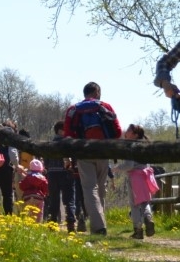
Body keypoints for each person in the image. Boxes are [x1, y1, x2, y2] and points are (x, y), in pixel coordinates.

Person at [63, 82, 122, 235]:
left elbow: (68, 135)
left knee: (90, 189)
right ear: (97, 92)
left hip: (83, 153)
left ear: (85, 93)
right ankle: (99, 226)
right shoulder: (105, 106)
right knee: (101, 189)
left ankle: (98, 226)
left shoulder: (73, 110)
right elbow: (117, 131)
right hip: (103, 152)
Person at [113, 124, 158, 239]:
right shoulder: (144, 145)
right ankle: (148, 218)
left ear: (135, 135)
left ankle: (138, 230)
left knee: (135, 204)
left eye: (129, 130)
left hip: (135, 177)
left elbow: (129, 165)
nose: (126, 132)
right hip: (145, 176)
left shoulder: (131, 147)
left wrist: (116, 168)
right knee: (145, 201)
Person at [44, 120, 77, 231]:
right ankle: (71, 224)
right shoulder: (69, 143)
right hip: (66, 173)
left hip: (52, 174)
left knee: (54, 199)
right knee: (69, 200)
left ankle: (52, 225)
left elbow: (46, 163)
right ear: (60, 131)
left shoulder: (50, 144)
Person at [19, 158, 48, 223]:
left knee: (29, 213)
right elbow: (46, 188)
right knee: (39, 213)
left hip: (27, 197)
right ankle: (38, 224)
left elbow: (22, 186)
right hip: (39, 197)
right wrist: (45, 193)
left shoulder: (28, 177)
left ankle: (29, 225)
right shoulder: (43, 178)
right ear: (41, 169)